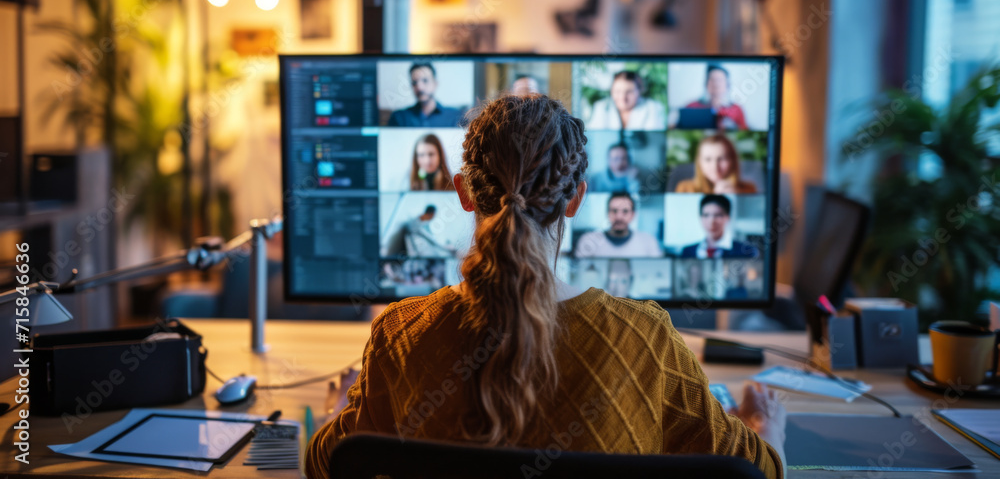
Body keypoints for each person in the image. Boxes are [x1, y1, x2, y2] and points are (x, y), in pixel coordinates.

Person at [306, 95, 786, 479]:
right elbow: (752, 470)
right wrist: (768, 429)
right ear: (576, 198)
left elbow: (328, 464)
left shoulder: (399, 335)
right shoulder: (647, 340)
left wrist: (339, 410)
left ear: (464, 192)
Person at [574, 192, 662, 258]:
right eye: (614, 211)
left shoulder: (649, 242)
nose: (619, 217)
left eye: (625, 211)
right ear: (608, 213)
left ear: (633, 215)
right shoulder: (588, 240)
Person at [680, 194, 759, 259]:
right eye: (706, 215)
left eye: (717, 215)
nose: (711, 221)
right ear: (700, 218)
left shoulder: (746, 252)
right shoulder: (687, 251)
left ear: (727, 218)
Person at [387, 63, 464, 127]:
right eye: (414, 83)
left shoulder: (455, 117)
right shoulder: (399, 118)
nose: (419, 87)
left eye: (425, 80)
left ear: (435, 84)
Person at [675, 134, 757, 193]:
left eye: (722, 159)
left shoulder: (749, 189)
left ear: (733, 160)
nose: (715, 167)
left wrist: (736, 197)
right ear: (699, 162)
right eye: (708, 159)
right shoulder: (684, 188)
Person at [586, 70, 667, 130]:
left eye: (629, 92)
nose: (623, 98)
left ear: (639, 91)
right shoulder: (600, 107)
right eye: (617, 91)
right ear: (611, 91)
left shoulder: (653, 107)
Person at [683, 64, 749, 130]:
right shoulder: (692, 106)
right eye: (712, 80)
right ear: (706, 84)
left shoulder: (736, 109)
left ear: (727, 85)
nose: (716, 84)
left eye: (720, 80)